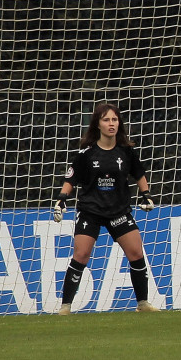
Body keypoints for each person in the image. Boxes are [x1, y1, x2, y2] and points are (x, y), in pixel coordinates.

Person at [54, 102, 159, 315]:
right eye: (106, 120)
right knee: (81, 255)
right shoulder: (87, 153)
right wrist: (62, 198)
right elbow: (71, 177)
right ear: (98, 124)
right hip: (90, 211)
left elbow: (139, 173)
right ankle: (65, 307)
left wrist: (146, 195)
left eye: (114, 119)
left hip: (118, 211)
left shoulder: (126, 151)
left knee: (136, 252)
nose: (111, 124)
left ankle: (142, 303)